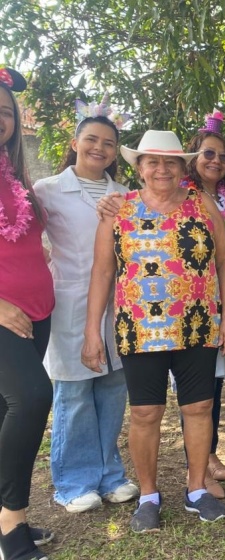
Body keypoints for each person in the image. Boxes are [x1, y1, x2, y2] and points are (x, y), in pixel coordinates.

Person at [83, 130, 225, 532]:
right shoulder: (119, 209)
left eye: (170, 162)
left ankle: (196, 488)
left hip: (197, 324)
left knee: (198, 408)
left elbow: (223, 262)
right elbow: (102, 272)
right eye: (152, 161)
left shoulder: (202, 204)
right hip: (140, 328)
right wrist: (92, 331)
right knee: (145, 412)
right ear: (139, 168)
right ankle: (148, 496)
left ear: (183, 168)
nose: (161, 169)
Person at [32, 101, 138, 515]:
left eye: (108, 143)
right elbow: (22, 237)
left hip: (119, 304)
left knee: (112, 387)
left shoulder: (125, 195)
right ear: (75, 143)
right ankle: (73, 482)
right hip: (68, 303)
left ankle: (109, 475)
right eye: (91, 139)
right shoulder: (47, 190)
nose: (99, 148)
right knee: (74, 392)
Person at [0, 65, 54, 560]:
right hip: (4, 315)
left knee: (4, 411)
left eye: (5, 111)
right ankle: (11, 520)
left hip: (39, 311)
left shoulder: (15, 175)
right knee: (34, 397)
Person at [180, 113, 225, 497]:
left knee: (214, 383)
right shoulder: (182, 195)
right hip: (193, 304)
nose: (216, 161)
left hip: (223, 301)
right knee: (198, 386)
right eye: (208, 153)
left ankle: (209, 454)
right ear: (193, 156)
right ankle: (198, 465)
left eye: (222, 156)